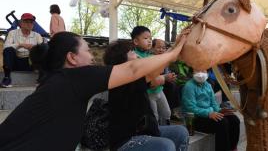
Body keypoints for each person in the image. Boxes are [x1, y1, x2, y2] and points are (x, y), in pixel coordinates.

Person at [0, 31, 188, 151]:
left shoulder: (57, 81)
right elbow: (133, 69)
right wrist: (173, 52)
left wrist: (173, 49)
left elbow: (146, 72)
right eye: (88, 50)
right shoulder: (74, 78)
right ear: (72, 58)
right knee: (165, 145)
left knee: (178, 134)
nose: (92, 56)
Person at [105, 40, 189, 151]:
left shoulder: (136, 77)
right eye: (132, 52)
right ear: (122, 59)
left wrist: (178, 42)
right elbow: (155, 69)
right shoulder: (122, 80)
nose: (136, 54)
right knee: (166, 146)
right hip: (126, 140)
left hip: (146, 131)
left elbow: (156, 75)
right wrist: (176, 50)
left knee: (181, 132)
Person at [182, 70, 240, 151]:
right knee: (222, 122)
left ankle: (232, 148)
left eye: (203, 70)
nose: (200, 73)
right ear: (193, 71)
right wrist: (208, 113)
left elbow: (214, 104)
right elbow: (190, 108)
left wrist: (220, 110)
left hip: (210, 114)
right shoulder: (189, 86)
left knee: (234, 119)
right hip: (195, 119)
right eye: (198, 69)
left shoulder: (208, 85)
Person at [131, 26, 171, 125]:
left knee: (167, 113)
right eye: (145, 38)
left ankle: (165, 131)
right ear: (136, 41)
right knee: (154, 116)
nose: (149, 41)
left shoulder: (151, 56)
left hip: (159, 90)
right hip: (148, 93)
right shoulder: (134, 56)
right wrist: (164, 77)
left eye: (150, 38)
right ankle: (156, 135)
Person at [1, 13, 43, 87]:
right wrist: (20, 45)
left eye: (31, 22)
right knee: (8, 49)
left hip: (31, 63)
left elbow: (43, 49)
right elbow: (6, 46)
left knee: (43, 48)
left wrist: (34, 48)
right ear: (21, 23)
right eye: (26, 22)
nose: (29, 24)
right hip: (15, 62)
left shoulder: (37, 35)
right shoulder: (12, 33)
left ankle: (41, 78)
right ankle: (7, 78)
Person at [152, 39, 182, 121]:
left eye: (163, 48)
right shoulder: (150, 59)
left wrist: (171, 76)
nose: (161, 50)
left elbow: (167, 71)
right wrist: (166, 77)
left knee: (175, 84)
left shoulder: (164, 58)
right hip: (153, 87)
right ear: (152, 48)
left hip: (161, 84)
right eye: (158, 47)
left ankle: (173, 110)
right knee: (171, 85)